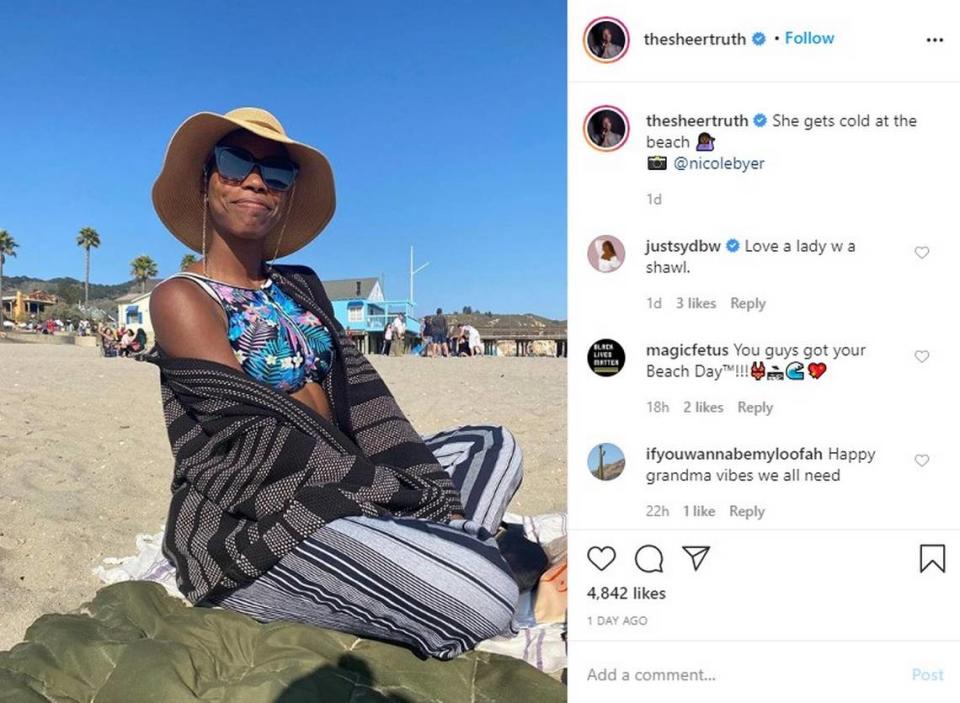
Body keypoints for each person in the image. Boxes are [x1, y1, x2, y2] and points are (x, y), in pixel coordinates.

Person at [146, 107, 522, 660]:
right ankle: (471, 556)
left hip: (346, 482)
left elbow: (366, 400)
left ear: (287, 195)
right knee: (487, 594)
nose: (256, 181)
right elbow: (244, 440)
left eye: (277, 173)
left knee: (493, 444)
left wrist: (401, 488)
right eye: (235, 162)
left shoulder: (300, 287)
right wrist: (393, 495)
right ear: (206, 182)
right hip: (253, 513)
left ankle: (442, 546)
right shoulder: (181, 297)